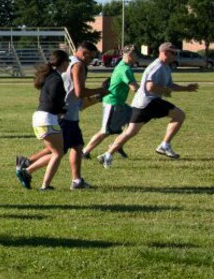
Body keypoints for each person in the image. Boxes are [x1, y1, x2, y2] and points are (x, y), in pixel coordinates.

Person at [21, 41, 107, 190]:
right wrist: (100, 91)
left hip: (62, 115)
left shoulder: (64, 68)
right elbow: (78, 92)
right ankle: (27, 168)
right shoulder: (78, 66)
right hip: (63, 116)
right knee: (58, 152)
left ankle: (76, 180)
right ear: (84, 53)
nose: (91, 61)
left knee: (76, 146)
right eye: (91, 57)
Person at [99, 43, 199, 162]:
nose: (175, 55)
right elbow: (150, 87)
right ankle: (165, 145)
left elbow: (170, 85)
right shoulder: (157, 66)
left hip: (140, 103)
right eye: (173, 53)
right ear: (165, 53)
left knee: (130, 132)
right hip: (149, 101)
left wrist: (186, 88)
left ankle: (107, 155)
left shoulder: (166, 66)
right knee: (180, 115)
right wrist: (165, 90)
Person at [15, 50, 70, 190]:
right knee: (58, 153)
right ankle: (42, 183)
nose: (69, 64)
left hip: (40, 117)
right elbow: (53, 99)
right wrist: (63, 109)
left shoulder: (50, 76)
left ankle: (27, 169)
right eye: (68, 62)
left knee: (56, 151)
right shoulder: (56, 79)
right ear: (63, 63)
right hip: (47, 118)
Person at [80, 45, 140, 167]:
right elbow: (134, 88)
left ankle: (116, 146)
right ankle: (84, 152)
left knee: (135, 121)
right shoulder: (125, 69)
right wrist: (149, 91)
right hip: (112, 102)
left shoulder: (125, 66)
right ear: (129, 55)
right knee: (105, 131)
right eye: (135, 54)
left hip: (120, 103)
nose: (137, 57)